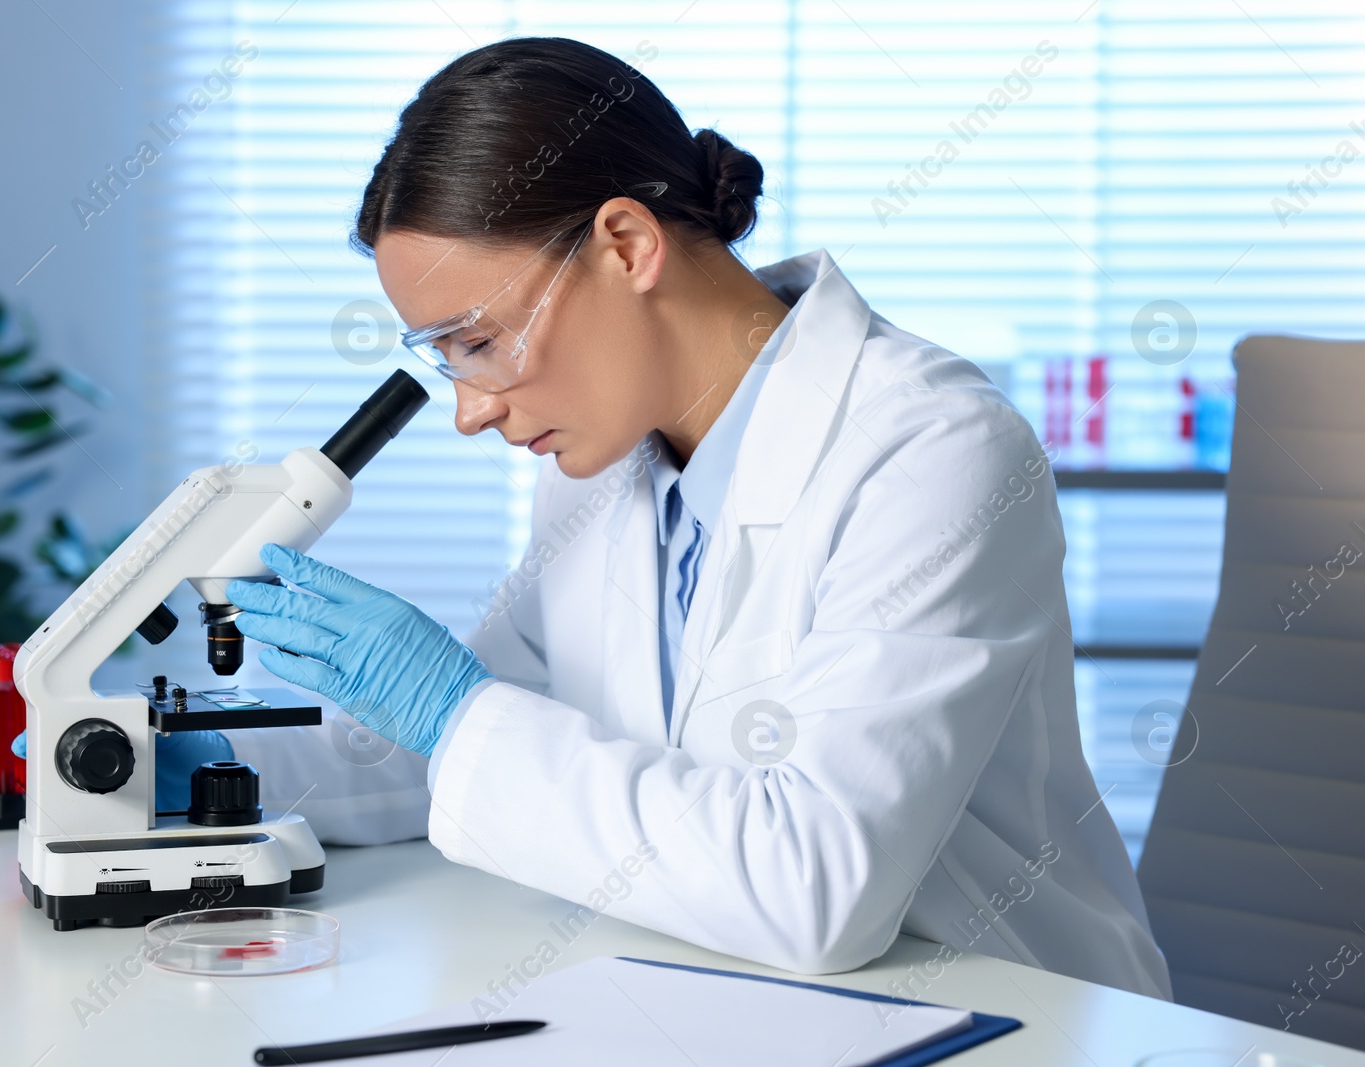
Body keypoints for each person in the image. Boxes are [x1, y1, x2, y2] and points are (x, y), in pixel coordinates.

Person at [207, 37, 1171, 998]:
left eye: (480, 341)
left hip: (1000, 1010)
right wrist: (198, 764)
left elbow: (815, 886)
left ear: (626, 245)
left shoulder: (932, 451)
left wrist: (454, 710)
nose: (471, 408)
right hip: (717, 998)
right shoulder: (602, 463)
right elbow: (464, 753)